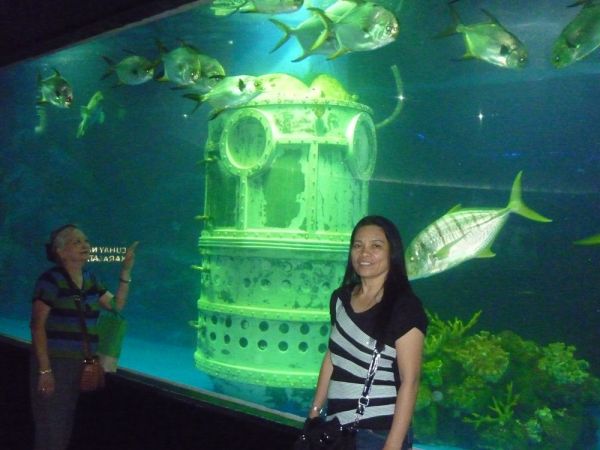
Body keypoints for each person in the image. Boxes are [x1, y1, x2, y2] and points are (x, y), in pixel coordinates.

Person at [308, 216, 428, 450]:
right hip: (336, 428)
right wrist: (314, 412)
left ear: (392, 253)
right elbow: (332, 357)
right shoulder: (340, 299)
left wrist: (392, 444)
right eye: (358, 245)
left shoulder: (405, 307)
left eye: (376, 246)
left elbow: (410, 381)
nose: (364, 253)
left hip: (378, 432)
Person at [29, 224, 139, 450]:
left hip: (82, 363)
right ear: (60, 251)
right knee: (51, 424)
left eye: (86, 241)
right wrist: (45, 370)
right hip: (56, 363)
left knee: (65, 422)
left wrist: (126, 271)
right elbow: (37, 326)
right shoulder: (50, 280)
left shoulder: (90, 279)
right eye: (76, 242)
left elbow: (116, 306)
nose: (85, 245)